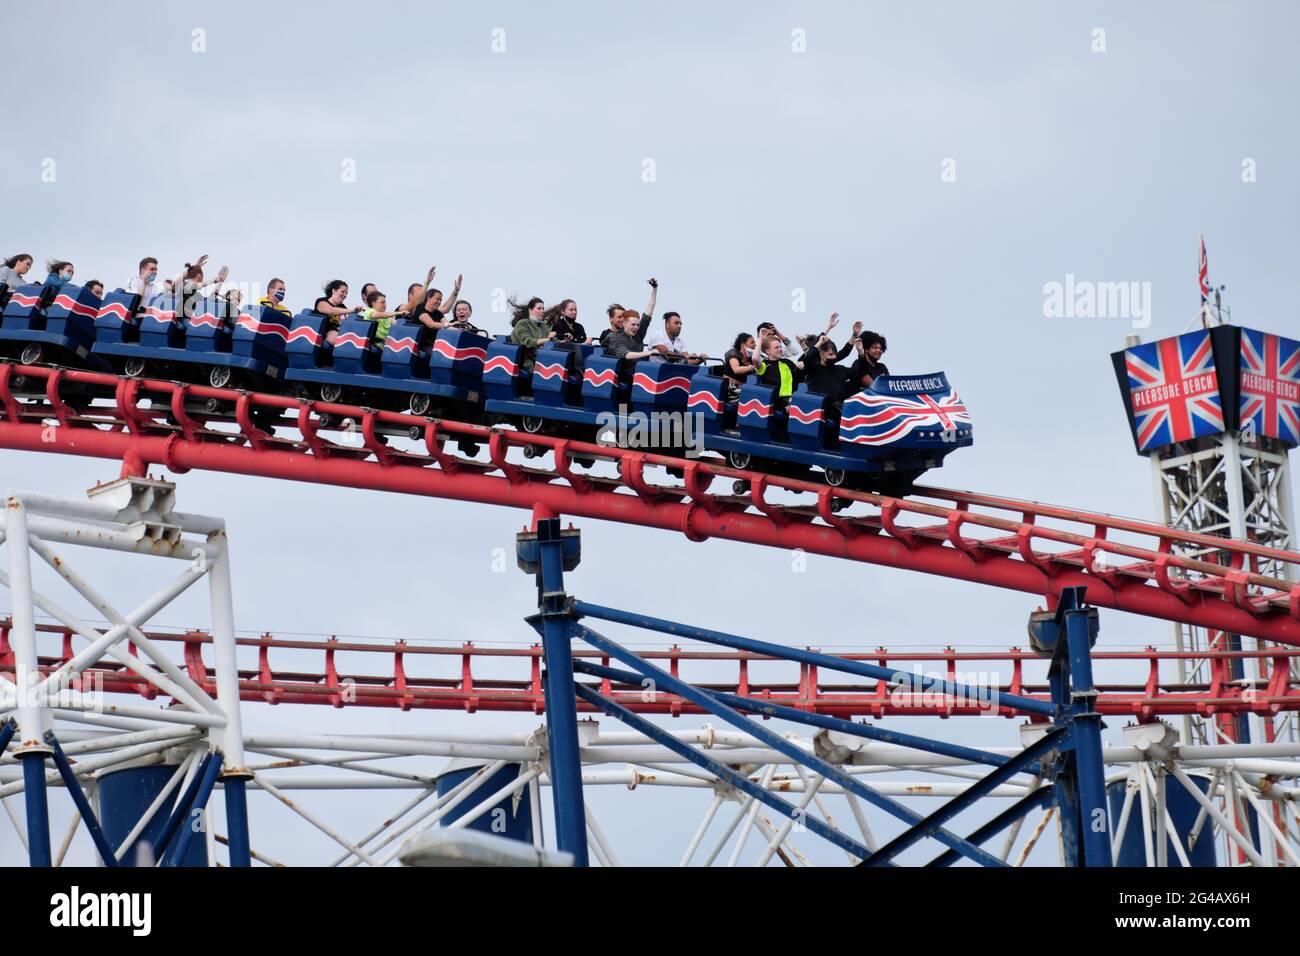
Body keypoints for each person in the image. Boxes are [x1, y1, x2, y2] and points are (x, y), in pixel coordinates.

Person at [799, 313, 860, 398]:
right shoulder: (813, 369)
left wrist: (854, 335)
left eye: (835, 354)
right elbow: (808, 357)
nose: (834, 357)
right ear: (821, 354)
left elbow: (845, 351)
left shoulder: (840, 370)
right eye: (830, 354)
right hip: (820, 407)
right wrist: (820, 341)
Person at [750, 327, 804, 410]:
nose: (780, 349)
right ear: (768, 351)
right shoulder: (764, 365)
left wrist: (803, 345)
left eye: (780, 347)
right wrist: (761, 339)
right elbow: (755, 359)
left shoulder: (787, 362)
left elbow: (807, 363)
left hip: (790, 401)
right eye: (776, 348)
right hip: (774, 404)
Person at [507, 296, 554, 376]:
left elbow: (554, 340)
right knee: (540, 370)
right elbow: (528, 342)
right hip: (524, 360)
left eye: (543, 309)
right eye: (539, 308)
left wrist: (565, 340)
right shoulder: (522, 324)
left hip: (541, 358)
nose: (542, 311)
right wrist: (547, 340)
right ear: (530, 310)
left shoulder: (543, 326)